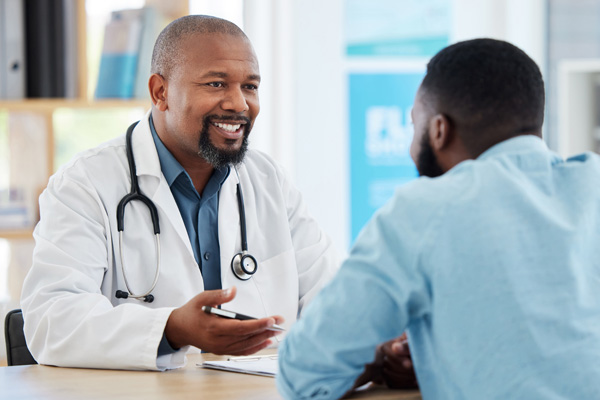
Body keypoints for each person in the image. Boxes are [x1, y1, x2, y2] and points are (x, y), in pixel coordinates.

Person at [277, 38, 600, 399]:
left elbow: (304, 373)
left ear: (439, 130)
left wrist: (373, 360)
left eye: (414, 125)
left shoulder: (425, 211)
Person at [20, 15, 338, 371]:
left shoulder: (269, 181)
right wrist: (171, 330)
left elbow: (331, 299)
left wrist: (378, 347)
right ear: (161, 92)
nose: (239, 104)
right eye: (216, 84)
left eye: (250, 86)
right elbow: (51, 321)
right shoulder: (85, 184)